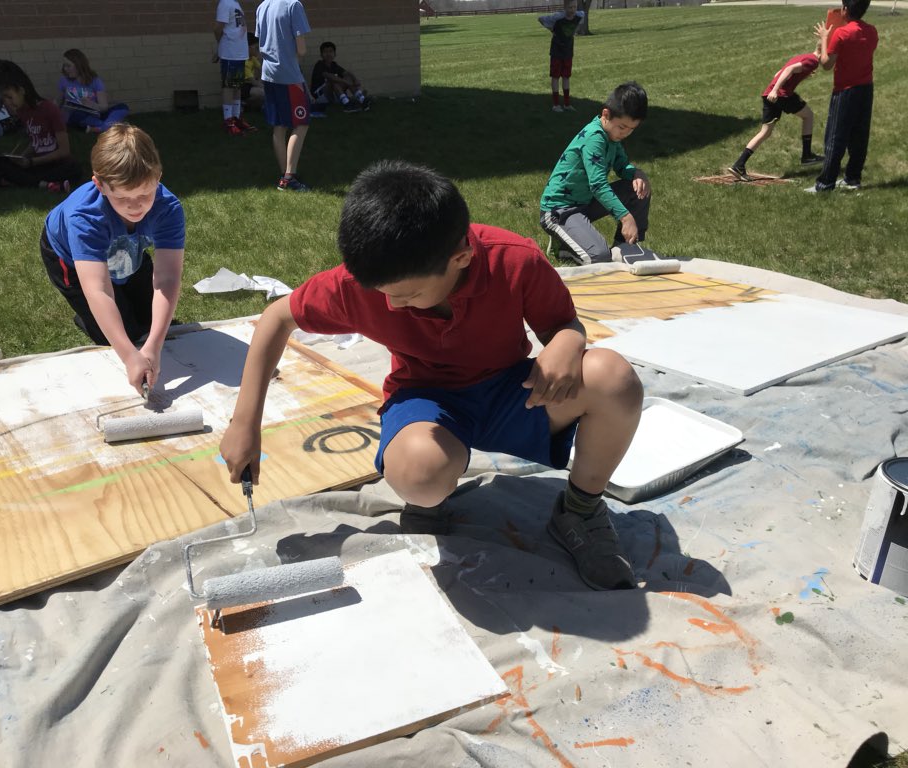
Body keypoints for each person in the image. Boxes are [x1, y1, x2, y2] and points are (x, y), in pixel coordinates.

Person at [219, 160, 643, 591]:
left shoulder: (514, 260)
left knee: (613, 378)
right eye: (383, 294)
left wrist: (566, 344)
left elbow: (564, 326)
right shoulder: (363, 284)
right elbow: (276, 317)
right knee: (421, 472)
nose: (393, 307)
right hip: (426, 399)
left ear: (461, 257)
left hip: (516, 393)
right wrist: (245, 423)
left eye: (408, 295)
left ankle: (581, 509)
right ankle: (429, 500)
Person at [40, 123, 185, 395]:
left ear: (158, 177)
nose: (135, 206)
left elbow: (167, 277)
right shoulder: (85, 217)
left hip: (127, 245)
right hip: (69, 258)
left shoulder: (168, 209)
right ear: (100, 185)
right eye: (122, 197)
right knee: (126, 335)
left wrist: (154, 345)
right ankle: (86, 319)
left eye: (145, 194)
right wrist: (131, 357)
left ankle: (131, 311)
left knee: (150, 325)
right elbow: (98, 290)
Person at [539, 81, 652, 266]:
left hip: (585, 203)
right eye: (622, 127)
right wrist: (625, 217)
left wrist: (637, 174)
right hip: (559, 211)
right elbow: (598, 185)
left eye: (632, 129)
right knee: (599, 257)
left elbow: (622, 166)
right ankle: (565, 246)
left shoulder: (612, 136)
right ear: (606, 114)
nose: (625, 134)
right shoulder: (594, 138)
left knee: (638, 189)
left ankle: (625, 248)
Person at [808, 0, 878, 193]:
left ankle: (825, 185)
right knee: (859, 136)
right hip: (866, 90)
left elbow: (826, 64)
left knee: (835, 137)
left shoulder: (842, 33)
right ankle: (852, 179)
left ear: (845, 10)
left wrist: (824, 37)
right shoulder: (872, 31)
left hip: (845, 91)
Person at [728, 43, 825, 181]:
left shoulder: (803, 56)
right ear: (823, 51)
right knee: (808, 115)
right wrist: (776, 90)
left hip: (769, 95)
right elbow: (789, 70)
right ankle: (807, 155)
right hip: (781, 95)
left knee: (765, 132)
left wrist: (774, 89)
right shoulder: (814, 60)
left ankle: (739, 165)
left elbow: (778, 73)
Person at [0, 62, 82, 192]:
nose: (8, 102)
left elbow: (64, 150)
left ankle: (31, 182)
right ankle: (38, 182)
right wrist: (20, 158)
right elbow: (36, 141)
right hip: (37, 164)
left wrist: (32, 162)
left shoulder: (48, 108)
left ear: (22, 91)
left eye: (10, 97)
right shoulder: (22, 111)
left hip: (56, 163)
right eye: (4, 99)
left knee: (73, 169)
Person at [256, 0, 312, 192]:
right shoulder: (293, 5)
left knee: (279, 126)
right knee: (301, 123)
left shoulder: (262, 6)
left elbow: (261, 41)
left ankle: (285, 175)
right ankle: (289, 178)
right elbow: (302, 49)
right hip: (289, 75)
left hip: (268, 74)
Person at [57, 49, 130, 135]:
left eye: (68, 66)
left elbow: (103, 107)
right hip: (77, 116)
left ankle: (99, 128)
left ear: (79, 65)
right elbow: (58, 103)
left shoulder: (95, 81)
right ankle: (107, 126)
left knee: (122, 107)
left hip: (95, 113)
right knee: (76, 115)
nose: (65, 69)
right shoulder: (64, 81)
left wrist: (92, 105)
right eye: (64, 66)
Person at [214, 0, 255, 135]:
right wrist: (221, 46)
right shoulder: (225, 4)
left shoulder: (235, 4)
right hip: (230, 53)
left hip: (239, 53)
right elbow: (218, 28)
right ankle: (228, 121)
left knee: (237, 86)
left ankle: (237, 118)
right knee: (228, 86)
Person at [538, 1, 585, 113]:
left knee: (566, 76)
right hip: (556, 52)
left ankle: (567, 104)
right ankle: (555, 104)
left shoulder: (579, 16)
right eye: (570, 7)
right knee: (555, 76)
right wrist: (552, 29)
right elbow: (541, 19)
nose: (572, 10)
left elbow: (578, 24)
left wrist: (574, 31)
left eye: (574, 7)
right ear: (564, 7)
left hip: (568, 52)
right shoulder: (557, 18)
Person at [310, 41, 371, 113]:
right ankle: (347, 104)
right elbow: (328, 76)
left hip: (333, 94)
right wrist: (346, 82)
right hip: (320, 96)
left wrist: (355, 79)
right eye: (325, 52)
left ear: (334, 54)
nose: (328, 54)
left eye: (331, 51)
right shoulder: (319, 64)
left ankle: (362, 100)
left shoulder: (334, 65)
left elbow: (347, 73)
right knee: (334, 80)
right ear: (321, 55)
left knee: (347, 77)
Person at [242, 33, 265, 112]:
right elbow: (254, 82)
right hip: (243, 88)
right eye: (256, 48)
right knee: (263, 92)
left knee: (267, 86)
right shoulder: (244, 62)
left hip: (251, 85)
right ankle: (243, 103)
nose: (258, 50)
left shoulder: (252, 58)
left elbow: (262, 71)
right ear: (248, 48)